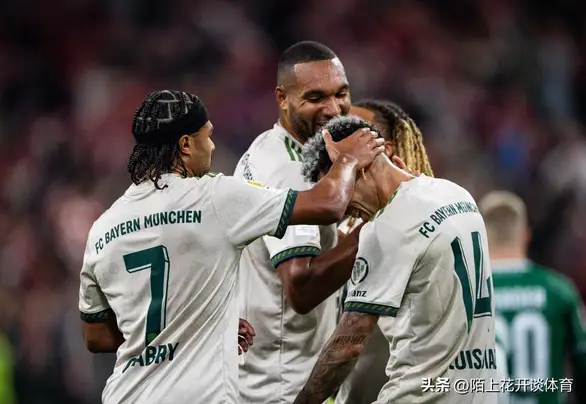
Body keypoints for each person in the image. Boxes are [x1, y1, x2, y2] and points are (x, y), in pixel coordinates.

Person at [78, 90, 384, 404]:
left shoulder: (102, 228)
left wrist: (200, 325)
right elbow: (329, 203)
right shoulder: (214, 196)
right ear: (186, 144)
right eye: (207, 136)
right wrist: (348, 159)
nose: (212, 147)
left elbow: (96, 335)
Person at [295, 115, 497, 404]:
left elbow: (347, 348)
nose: (340, 209)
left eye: (336, 188)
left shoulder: (386, 229)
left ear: (358, 168)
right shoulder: (456, 194)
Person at [234, 41, 360, 404]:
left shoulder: (267, 149)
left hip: (263, 378)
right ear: (282, 98)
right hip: (287, 385)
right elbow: (300, 288)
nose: (333, 109)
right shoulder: (288, 171)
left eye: (341, 94)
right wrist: (377, 229)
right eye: (316, 97)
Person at [479, 191, 586, 404]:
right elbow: (582, 360)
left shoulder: (468, 295)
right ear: (526, 234)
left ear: (480, 237)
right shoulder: (558, 290)